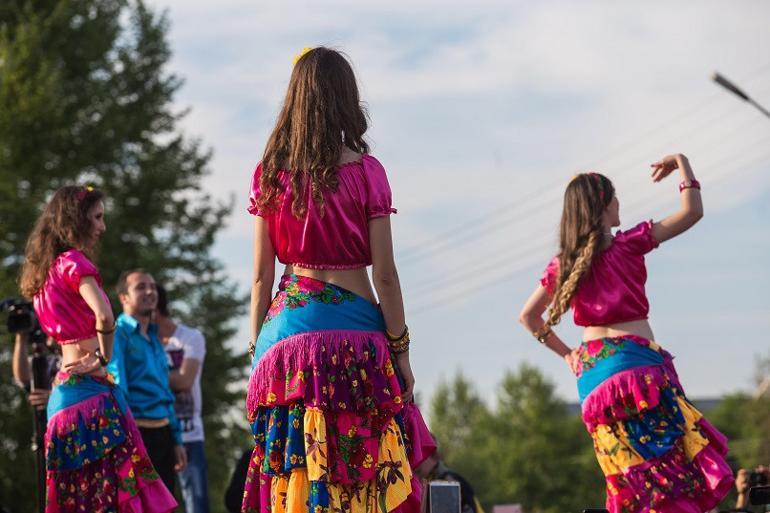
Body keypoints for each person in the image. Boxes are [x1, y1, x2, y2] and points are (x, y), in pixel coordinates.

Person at [242, 46, 435, 513]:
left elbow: (259, 280)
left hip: (285, 343)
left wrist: (257, 355)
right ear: (347, 97)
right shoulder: (368, 173)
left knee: (301, 473)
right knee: (366, 471)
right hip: (356, 340)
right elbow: (385, 276)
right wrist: (402, 350)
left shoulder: (270, 175)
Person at [519, 155, 733, 513]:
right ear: (604, 206)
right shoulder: (629, 243)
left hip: (592, 379)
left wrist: (568, 354)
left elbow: (529, 316)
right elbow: (692, 212)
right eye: (616, 198)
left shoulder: (563, 264)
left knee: (631, 480)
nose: (621, 205)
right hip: (636, 371)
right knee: (671, 472)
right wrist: (682, 164)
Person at [19, 185, 176, 512]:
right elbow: (105, 315)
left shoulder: (42, 278)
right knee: (112, 494)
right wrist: (104, 356)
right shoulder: (74, 264)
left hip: (62, 399)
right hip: (91, 396)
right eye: (97, 218)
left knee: (79, 498)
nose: (102, 227)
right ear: (76, 220)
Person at [110, 269, 187, 495]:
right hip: (136, 433)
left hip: (163, 433)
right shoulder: (118, 333)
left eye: (152, 286)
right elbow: (118, 385)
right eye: (141, 287)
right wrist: (127, 438)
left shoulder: (154, 336)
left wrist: (177, 439)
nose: (150, 291)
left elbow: (164, 391)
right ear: (124, 297)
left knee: (166, 506)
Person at [156, 283, 210, 513]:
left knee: (196, 504)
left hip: (189, 434)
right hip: (154, 432)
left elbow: (185, 381)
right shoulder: (141, 343)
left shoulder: (190, 337)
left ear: (156, 310)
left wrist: (144, 375)